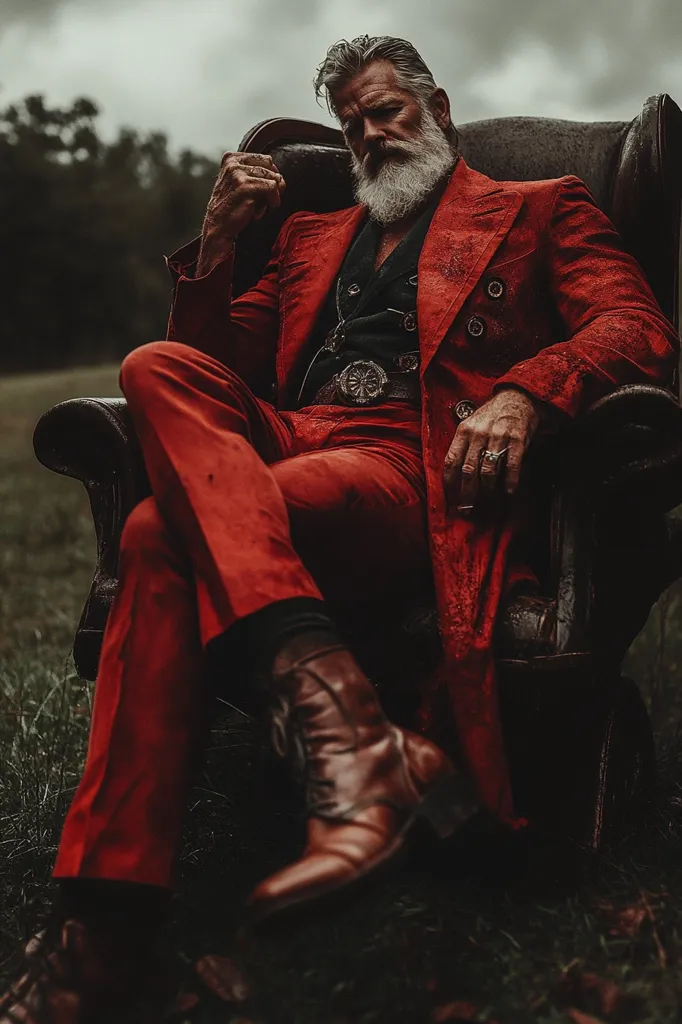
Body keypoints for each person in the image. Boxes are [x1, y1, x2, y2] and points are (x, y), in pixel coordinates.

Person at [1, 33, 677, 1023]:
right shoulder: (314, 238)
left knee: (155, 537)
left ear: (437, 109)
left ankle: (108, 934)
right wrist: (218, 241)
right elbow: (213, 371)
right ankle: (349, 728)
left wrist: (528, 395)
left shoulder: (538, 210)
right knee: (156, 366)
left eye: (386, 111)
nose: (368, 135)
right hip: (271, 444)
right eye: (353, 123)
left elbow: (637, 329)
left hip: (405, 462)